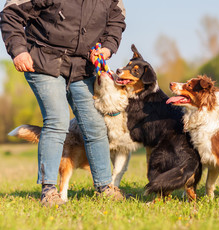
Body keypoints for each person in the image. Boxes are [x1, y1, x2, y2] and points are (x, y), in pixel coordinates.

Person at [0, 0, 126, 207]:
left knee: (95, 125)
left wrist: (107, 49)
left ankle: (105, 187)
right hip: (43, 62)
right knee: (57, 120)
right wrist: (19, 50)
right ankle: (49, 190)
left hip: (82, 68)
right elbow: (11, 13)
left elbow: (116, 21)